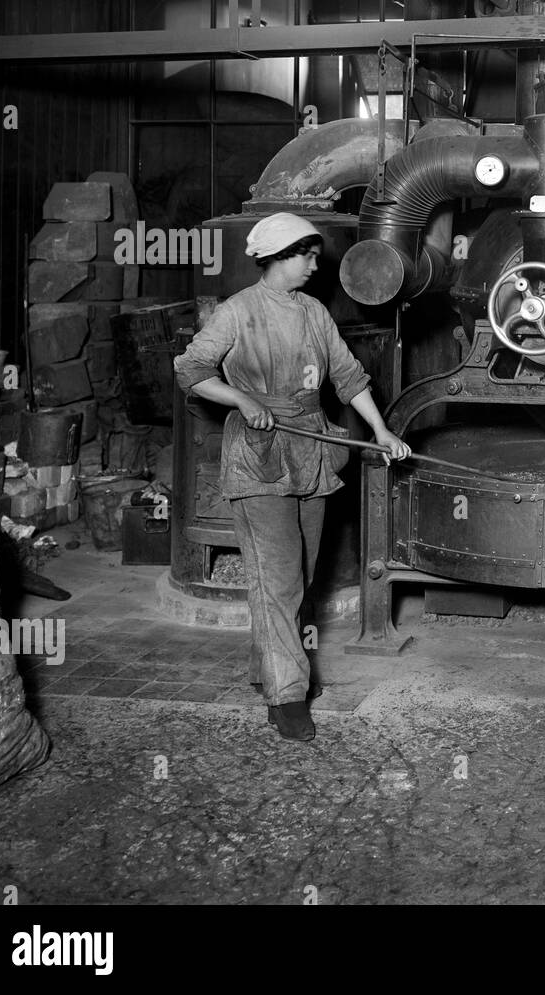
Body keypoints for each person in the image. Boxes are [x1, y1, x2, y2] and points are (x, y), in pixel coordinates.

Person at [173, 212, 410, 742]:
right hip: (258, 457)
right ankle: (286, 696)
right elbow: (189, 369)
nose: (314, 264)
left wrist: (382, 433)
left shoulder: (314, 313)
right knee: (276, 579)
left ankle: (271, 669)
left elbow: (349, 378)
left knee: (299, 578)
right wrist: (241, 397)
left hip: (310, 449)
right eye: (306, 255)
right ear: (277, 256)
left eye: (314, 255)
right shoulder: (238, 312)